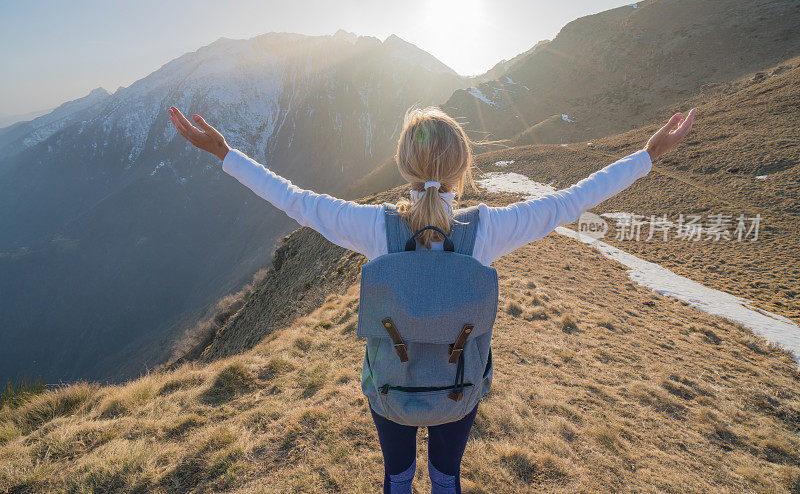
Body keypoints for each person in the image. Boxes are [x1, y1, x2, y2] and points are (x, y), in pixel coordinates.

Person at [168, 104, 695, 493]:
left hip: (390, 388)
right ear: (463, 168)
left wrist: (225, 153)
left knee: (397, 480)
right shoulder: (488, 230)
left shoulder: (375, 228)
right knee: (447, 479)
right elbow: (571, 202)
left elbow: (296, 202)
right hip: (459, 387)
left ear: (403, 167)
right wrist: (647, 155)